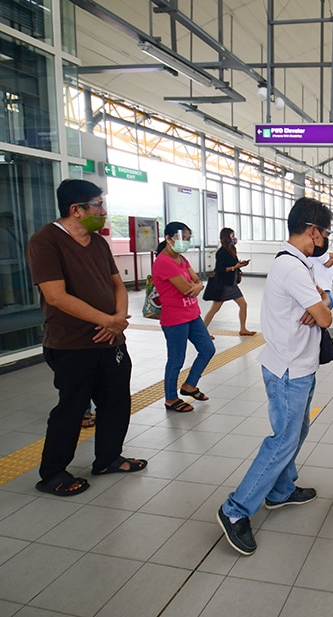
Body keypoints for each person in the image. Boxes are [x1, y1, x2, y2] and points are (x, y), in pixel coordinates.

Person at [217, 197, 333, 556]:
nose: (325, 238)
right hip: (288, 369)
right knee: (283, 438)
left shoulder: (300, 262)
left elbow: (324, 302)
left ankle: (281, 490)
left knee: (298, 430)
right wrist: (321, 308)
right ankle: (235, 510)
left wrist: (320, 305)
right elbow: (327, 315)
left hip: (298, 363)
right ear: (312, 231)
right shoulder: (294, 268)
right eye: (324, 232)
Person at [26, 179, 146, 496]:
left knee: (116, 401)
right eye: (97, 204)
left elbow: (117, 285)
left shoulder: (97, 243)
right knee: (73, 408)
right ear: (76, 210)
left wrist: (118, 321)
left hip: (111, 341)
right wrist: (107, 320)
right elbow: (56, 296)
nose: (103, 211)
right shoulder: (45, 242)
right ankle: (52, 473)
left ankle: (107, 458)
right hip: (72, 344)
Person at [153, 221, 216, 413]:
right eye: (183, 238)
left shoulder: (181, 259)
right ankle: (171, 398)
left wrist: (196, 285)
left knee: (207, 349)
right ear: (168, 239)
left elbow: (197, 281)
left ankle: (189, 385)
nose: (186, 242)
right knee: (176, 359)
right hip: (175, 319)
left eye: (188, 239)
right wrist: (196, 285)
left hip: (192, 314)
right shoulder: (164, 262)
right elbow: (188, 288)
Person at [202, 227, 256, 337]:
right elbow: (219, 270)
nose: (234, 238)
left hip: (232, 284)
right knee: (214, 309)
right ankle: (202, 332)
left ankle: (243, 329)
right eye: (232, 236)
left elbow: (234, 264)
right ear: (226, 238)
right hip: (223, 286)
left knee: (243, 305)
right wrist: (233, 267)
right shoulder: (221, 252)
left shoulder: (232, 250)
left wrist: (240, 265)